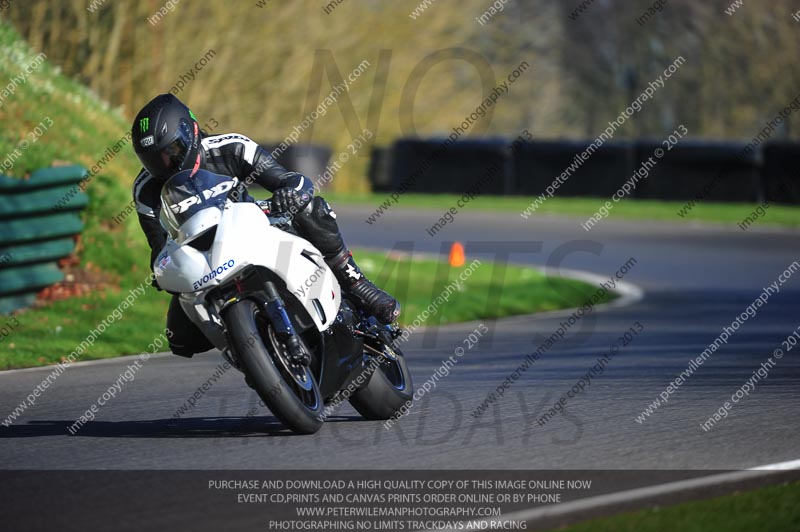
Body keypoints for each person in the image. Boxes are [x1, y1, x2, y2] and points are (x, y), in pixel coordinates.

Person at [130, 93, 400, 357]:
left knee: (310, 208)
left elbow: (289, 180)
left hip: (252, 226)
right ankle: (247, 350)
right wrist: (164, 271)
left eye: (171, 152)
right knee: (180, 342)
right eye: (153, 160)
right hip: (202, 256)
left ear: (191, 132)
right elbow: (158, 245)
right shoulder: (145, 190)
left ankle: (356, 283)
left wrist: (288, 193)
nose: (165, 165)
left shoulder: (231, 147)